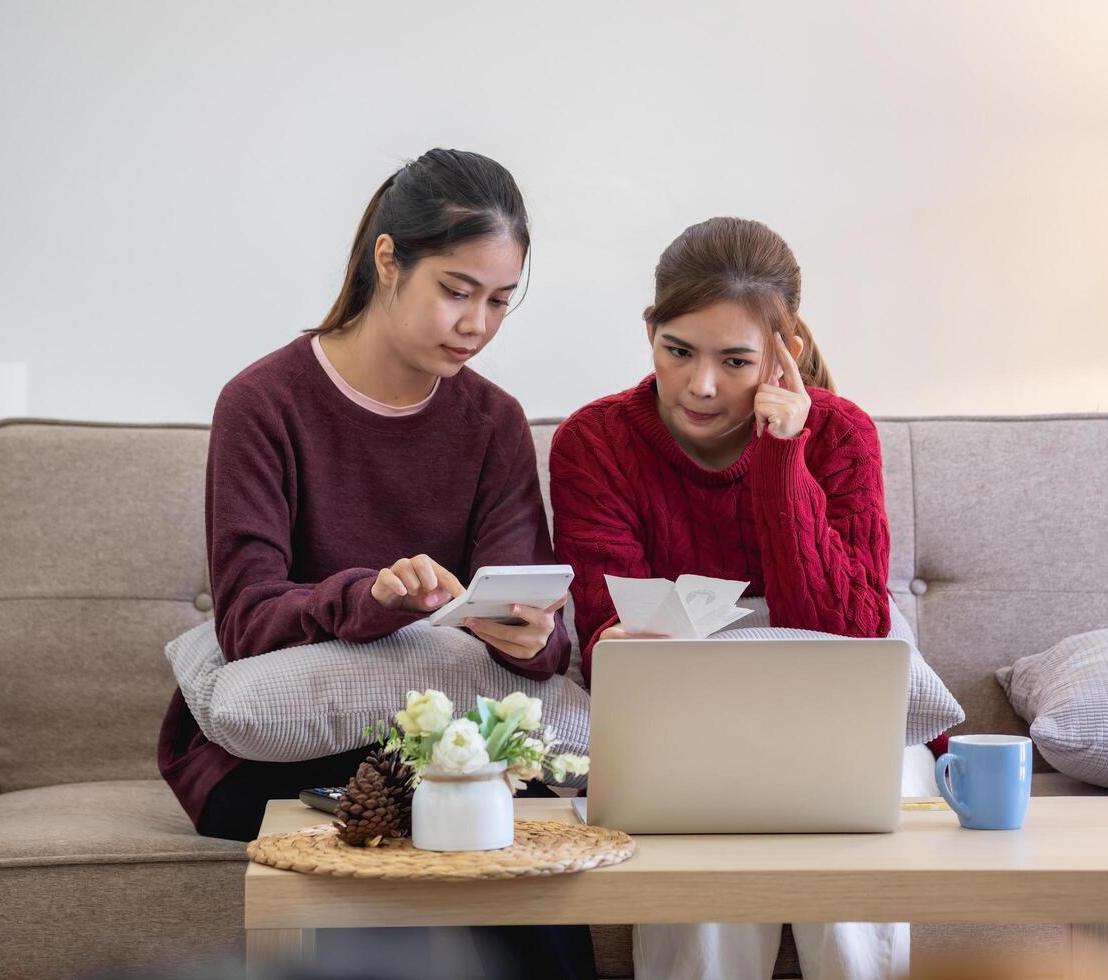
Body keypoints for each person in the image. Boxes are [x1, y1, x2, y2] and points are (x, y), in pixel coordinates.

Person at [157, 148, 594, 980]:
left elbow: (542, 632)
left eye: (501, 301)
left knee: (528, 854)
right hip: (280, 753)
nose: (477, 325)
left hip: (453, 741)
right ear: (388, 260)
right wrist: (373, 595)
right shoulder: (262, 404)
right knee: (434, 827)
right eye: (457, 291)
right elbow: (247, 620)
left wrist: (531, 637)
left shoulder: (493, 422)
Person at [549, 216, 933, 980]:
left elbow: (849, 632)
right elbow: (602, 638)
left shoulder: (840, 435)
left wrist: (782, 459)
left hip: (838, 710)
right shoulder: (594, 443)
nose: (701, 385)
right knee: (707, 873)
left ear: (784, 352)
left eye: (735, 361)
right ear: (650, 329)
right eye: (679, 352)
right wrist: (617, 650)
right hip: (684, 717)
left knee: (850, 860)